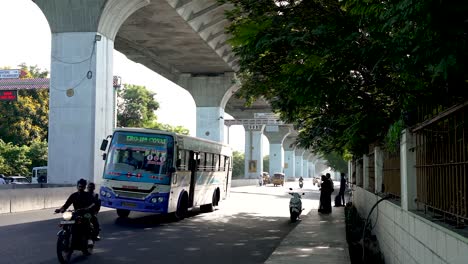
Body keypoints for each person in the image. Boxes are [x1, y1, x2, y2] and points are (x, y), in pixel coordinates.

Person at [55, 179, 95, 245]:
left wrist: (88, 208)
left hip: (85, 213)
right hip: (76, 213)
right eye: (79, 186)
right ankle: (67, 234)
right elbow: (66, 205)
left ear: (85, 187)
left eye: (82, 186)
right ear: (77, 186)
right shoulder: (74, 195)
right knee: (65, 220)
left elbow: (93, 203)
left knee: (87, 223)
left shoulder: (88, 195)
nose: (80, 188)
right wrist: (60, 209)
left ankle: (89, 239)